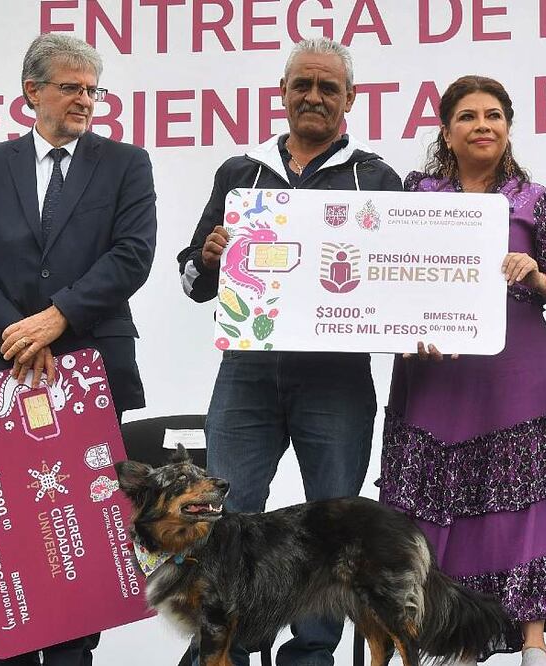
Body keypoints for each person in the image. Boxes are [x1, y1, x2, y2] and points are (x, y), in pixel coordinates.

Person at [176, 37, 401, 665]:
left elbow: (399, 286)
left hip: (336, 379)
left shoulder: (378, 178)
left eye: (329, 88)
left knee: (333, 533)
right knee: (225, 526)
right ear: (282, 93)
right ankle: (226, 654)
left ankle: (312, 658)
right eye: (302, 84)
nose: (314, 97)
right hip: (247, 372)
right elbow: (193, 284)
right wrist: (209, 257)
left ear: (351, 100)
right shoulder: (239, 174)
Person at [0, 33, 157, 665]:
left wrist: (56, 319)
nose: (85, 101)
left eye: (93, 90)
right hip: (0, 364)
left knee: (83, 534)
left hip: (92, 368)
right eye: (71, 87)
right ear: (31, 92)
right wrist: (20, 330)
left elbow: (132, 256)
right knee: (3, 533)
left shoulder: (126, 163)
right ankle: (1, 653)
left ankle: (75, 658)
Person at [377, 75, 546, 666]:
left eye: (495, 115)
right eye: (469, 116)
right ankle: (455, 644)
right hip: (432, 380)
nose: (483, 125)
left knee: (528, 503)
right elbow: (387, 276)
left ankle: (532, 644)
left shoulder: (537, 200)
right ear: (446, 132)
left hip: (515, 378)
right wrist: (399, 325)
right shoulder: (414, 195)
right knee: (432, 506)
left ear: (509, 128)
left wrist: (536, 275)